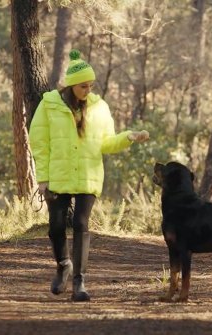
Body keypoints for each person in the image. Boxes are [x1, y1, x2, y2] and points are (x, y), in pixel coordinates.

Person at [29, 49, 149, 302]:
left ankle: (79, 281)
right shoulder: (48, 105)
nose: (88, 90)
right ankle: (64, 265)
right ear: (72, 85)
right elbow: (39, 143)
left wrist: (128, 137)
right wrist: (42, 178)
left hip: (88, 174)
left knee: (82, 224)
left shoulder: (100, 107)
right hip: (57, 175)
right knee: (56, 227)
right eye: (84, 86)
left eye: (91, 85)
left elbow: (106, 143)